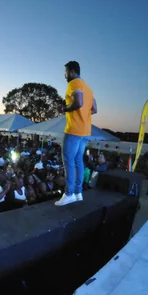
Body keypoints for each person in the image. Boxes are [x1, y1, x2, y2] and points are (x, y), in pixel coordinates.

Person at [56, 61, 97, 206]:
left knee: (68, 161)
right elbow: (94, 109)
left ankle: (68, 194)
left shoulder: (74, 83)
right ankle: (78, 193)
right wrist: (83, 113)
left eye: (66, 72)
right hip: (86, 131)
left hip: (74, 129)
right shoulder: (89, 89)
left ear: (72, 72)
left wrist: (65, 109)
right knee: (78, 160)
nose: (65, 75)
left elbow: (78, 102)